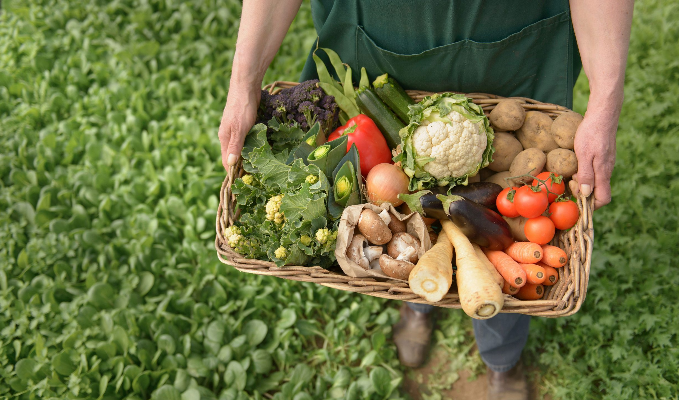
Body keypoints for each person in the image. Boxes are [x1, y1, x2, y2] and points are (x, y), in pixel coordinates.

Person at [218, 1, 633, 398]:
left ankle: (501, 357)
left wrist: (606, 101)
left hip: (511, 55)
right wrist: (242, 82)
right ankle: (418, 301)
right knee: (417, 238)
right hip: (375, 52)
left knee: (502, 255)